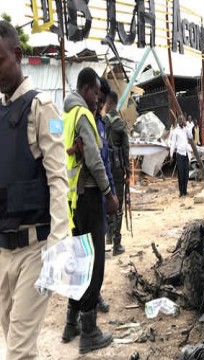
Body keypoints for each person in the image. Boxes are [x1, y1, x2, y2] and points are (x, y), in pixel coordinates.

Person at [0, 20, 69, 360]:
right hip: (3, 250)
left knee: (17, 352)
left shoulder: (43, 107)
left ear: (17, 54)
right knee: (16, 342)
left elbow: (59, 178)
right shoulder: (1, 110)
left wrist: (58, 244)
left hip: (35, 250)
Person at [62, 67, 118, 354]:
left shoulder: (65, 115)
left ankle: (71, 323)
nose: (98, 98)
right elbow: (95, 161)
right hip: (89, 196)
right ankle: (90, 331)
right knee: (93, 261)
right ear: (85, 89)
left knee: (77, 260)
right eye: (96, 92)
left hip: (72, 201)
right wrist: (109, 193)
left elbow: (65, 152)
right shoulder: (83, 115)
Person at [94, 78, 117, 314]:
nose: (98, 104)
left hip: (100, 197)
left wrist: (111, 191)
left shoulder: (100, 123)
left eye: (101, 102)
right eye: (96, 99)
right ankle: (80, 310)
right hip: (83, 198)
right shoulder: (82, 119)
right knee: (85, 253)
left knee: (99, 252)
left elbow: (105, 159)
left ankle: (94, 295)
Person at [104, 91, 129, 256]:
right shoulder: (121, 124)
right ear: (116, 103)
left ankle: (108, 236)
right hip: (118, 170)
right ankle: (117, 244)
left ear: (108, 103)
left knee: (107, 201)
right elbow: (126, 149)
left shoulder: (102, 122)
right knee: (118, 204)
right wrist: (127, 169)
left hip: (105, 168)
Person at [170, 114, 193, 197]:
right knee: (180, 173)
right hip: (179, 154)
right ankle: (181, 191)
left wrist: (187, 126)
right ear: (177, 121)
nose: (180, 121)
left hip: (186, 153)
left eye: (182, 120)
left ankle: (185, 190)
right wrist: (171, 154)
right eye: (179, 120)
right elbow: (173, 144)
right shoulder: (175, 131)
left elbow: (191, 136)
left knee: (186, 173)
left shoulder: (185, 129)